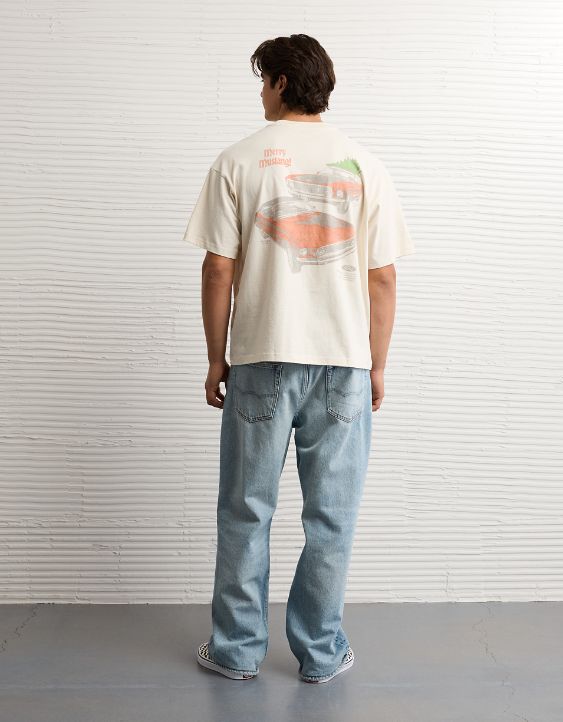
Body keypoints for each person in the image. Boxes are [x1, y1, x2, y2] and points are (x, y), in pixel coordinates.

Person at [183, 33, 416, 684]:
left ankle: (236, 651)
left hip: (260, 359)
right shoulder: (366, 165)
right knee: (330, 518)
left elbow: (218, 269)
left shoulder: (237, 161)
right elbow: (382, 278)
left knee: (245, 511)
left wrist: (216, 358)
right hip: (342, 365)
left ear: (281, 82)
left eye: (263, 80)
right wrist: (376, 364)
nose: (260, 92)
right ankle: (320, 654)